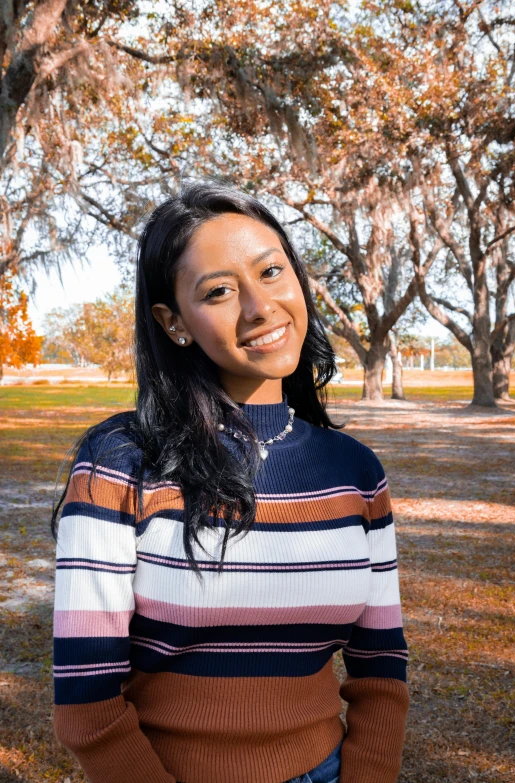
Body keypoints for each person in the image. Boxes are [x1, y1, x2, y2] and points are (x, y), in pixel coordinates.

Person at [51, 181, 410, 783]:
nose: (259, 307)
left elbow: (380, 667)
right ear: (174, 323)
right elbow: (87, 698)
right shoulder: (119, 462)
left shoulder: (356, 471)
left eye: (271, 272)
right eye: (218, 291)